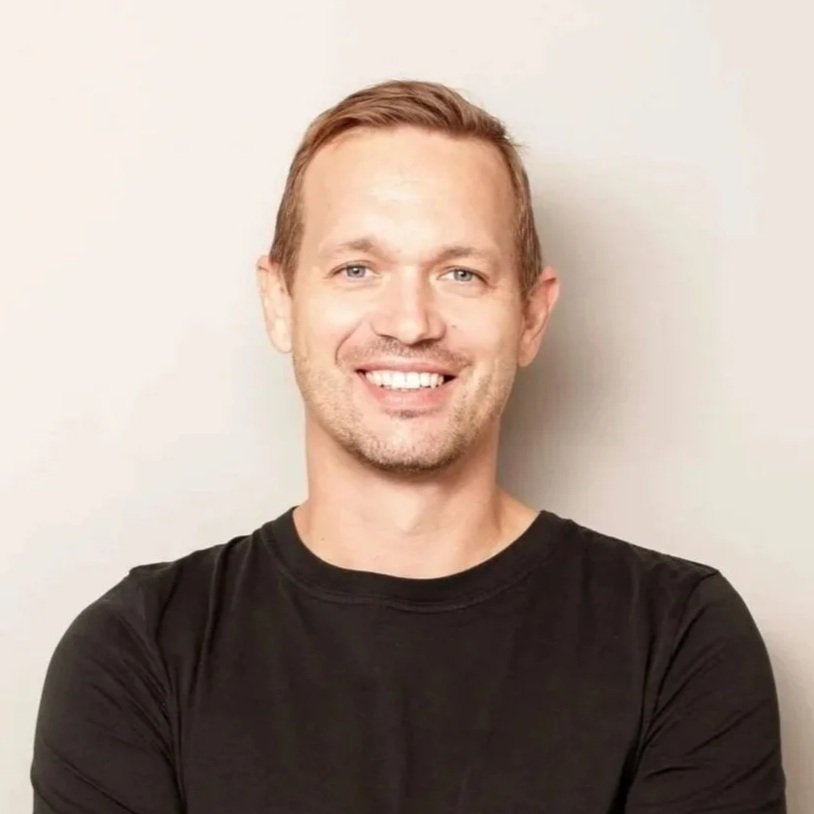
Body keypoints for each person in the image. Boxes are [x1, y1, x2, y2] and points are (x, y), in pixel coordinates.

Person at [30, 79, 786, 813]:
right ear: (280, 301)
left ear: (530, 314)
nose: (410, 321)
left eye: (461, 273)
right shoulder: (138, 653)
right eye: (357, 269)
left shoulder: (678, 638)